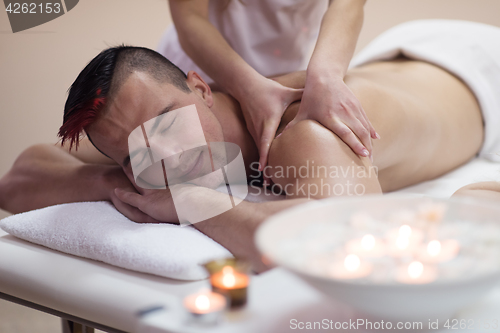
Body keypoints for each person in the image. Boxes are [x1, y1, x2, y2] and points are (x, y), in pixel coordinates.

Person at [1, 20, 499, 272]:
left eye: (168, 122)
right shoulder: (146, 148)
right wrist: (128, 184)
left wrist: (197, 204)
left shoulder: (299, 136)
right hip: (396, 67)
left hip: (479, 72)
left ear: (200, 86)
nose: (168, 156)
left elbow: (346, 242)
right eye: (137, 156)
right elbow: (19, 179)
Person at [160, 0, 378, 173]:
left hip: (283, 74)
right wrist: (248, 88)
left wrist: (325, 77)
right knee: (181, 167)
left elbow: (349, 3)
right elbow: (190, 15)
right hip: (206, 70)